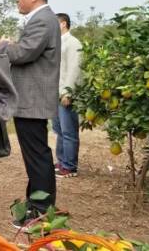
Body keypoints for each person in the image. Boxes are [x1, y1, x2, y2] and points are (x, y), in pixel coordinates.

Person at [0, 0, 60, 226]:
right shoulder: (44, 20)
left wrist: (4, 46)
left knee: (38, 157)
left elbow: (23, 53)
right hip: (32, 100)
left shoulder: (43, 20)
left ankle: (40, 211)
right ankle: (37, 206)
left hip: (32, 101)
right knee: (37, 156)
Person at [52, 13, 82, 178]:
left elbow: (74, 69)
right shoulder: (58, 43)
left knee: (69, 131)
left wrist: (68, 92)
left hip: (66, 93)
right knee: (59, 130)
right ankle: (62, 161)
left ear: (63, 24)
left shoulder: (73, 43)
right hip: (56, 93)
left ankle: (70, 166)